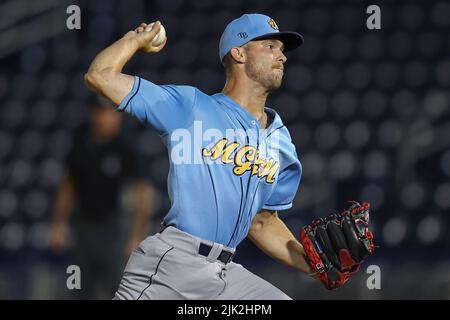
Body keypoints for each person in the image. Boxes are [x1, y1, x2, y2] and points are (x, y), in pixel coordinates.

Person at [84, 13, 313, 300]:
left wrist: (316, 266)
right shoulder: (191, 107)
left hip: (225, 274)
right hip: (174, 264)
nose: (282, 56)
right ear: (238, 53)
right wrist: (134, 40)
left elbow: (262, 222)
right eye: (270, 47)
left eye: (282, 49)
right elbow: (100, 75)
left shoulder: (281, 141)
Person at [48, 97, 154, 299]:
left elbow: (143, 193)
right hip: (82, 230)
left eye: (108, 113)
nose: (103, 118)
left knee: (119, 290)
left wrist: (136, 236)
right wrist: (58, 224)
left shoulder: (125, 147)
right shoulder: (80, 140)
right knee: (76, 286)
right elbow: (67, 186)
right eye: (98, 112)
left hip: (114, 231)